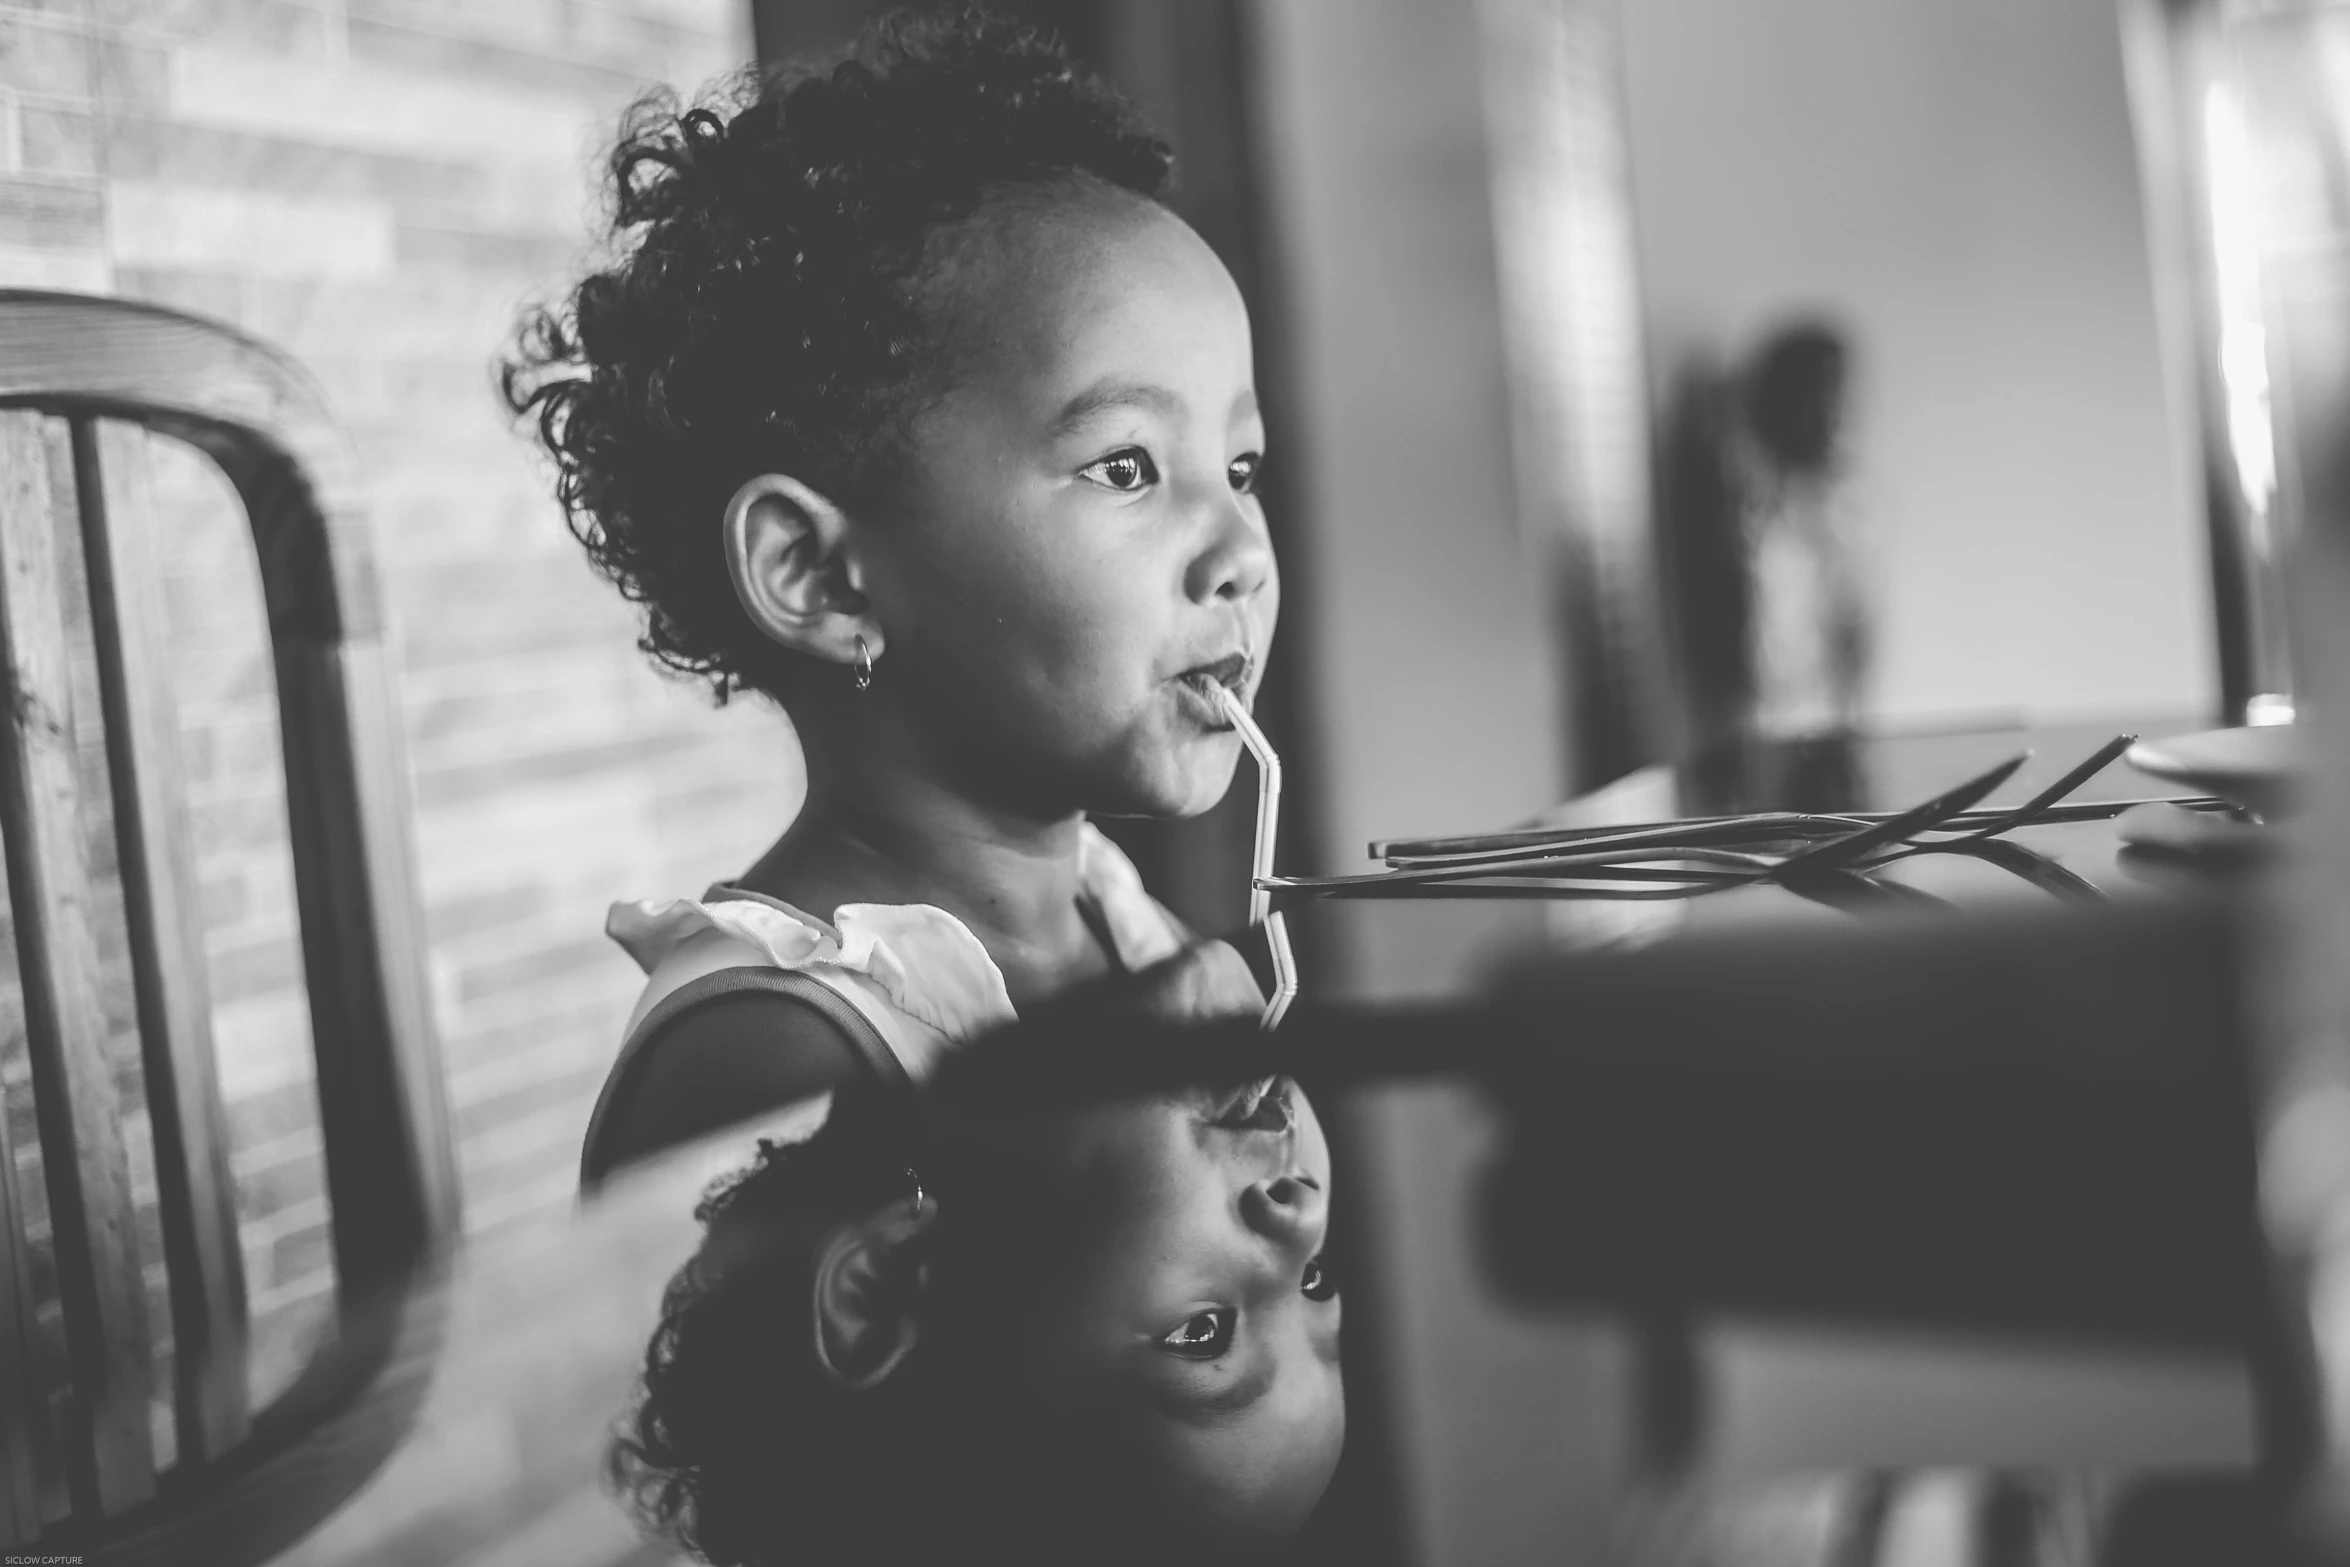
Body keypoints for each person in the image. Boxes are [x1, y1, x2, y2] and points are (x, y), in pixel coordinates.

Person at [504, 9, 1337, 1559]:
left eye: (1242, 466)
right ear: (820, 573)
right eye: (1126, 468)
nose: (1243, 554)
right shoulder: (764, 1052)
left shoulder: (1113, 918)